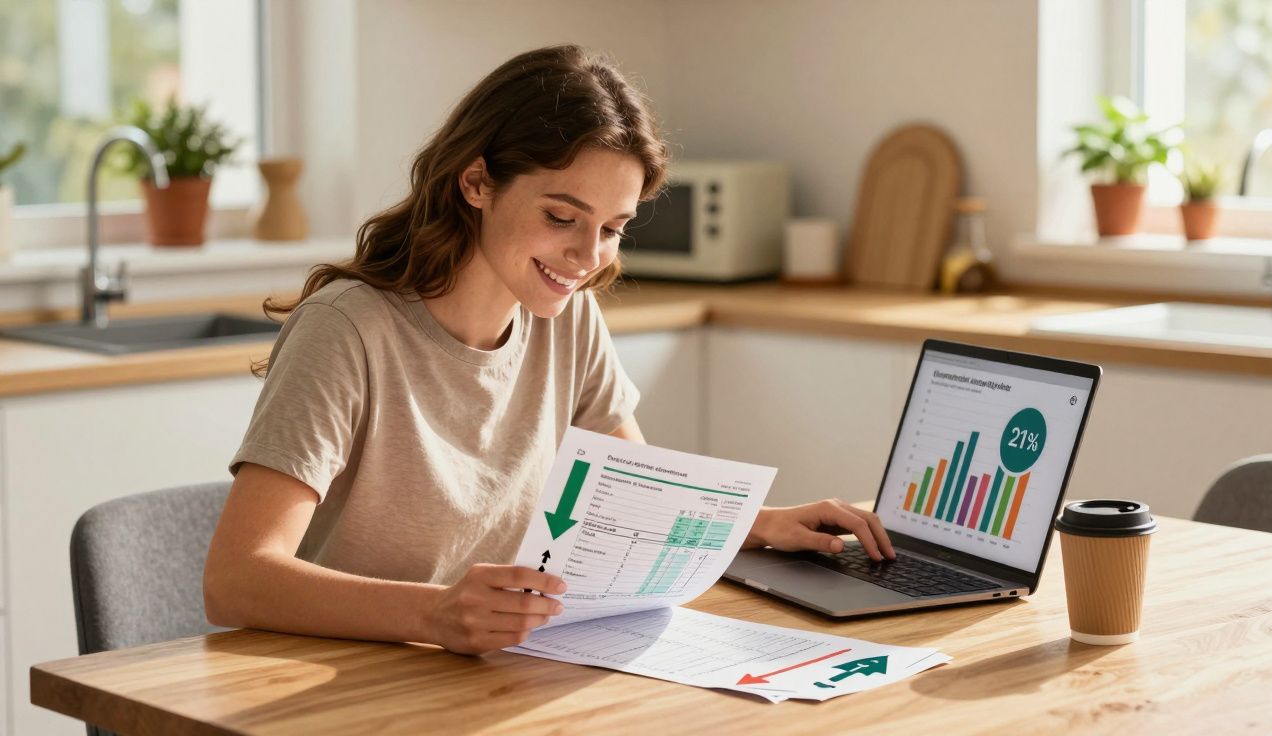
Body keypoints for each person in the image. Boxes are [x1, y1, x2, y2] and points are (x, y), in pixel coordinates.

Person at [204, 44, 894, 656]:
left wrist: (761, 524)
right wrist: (435, 613)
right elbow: (237, 581)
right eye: (561, 217)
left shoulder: (568, 319)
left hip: (491, 675)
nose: (587, 257)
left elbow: (636, 505)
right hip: (353, 682)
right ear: (475, 183)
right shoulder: (348, 330)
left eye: (613, 229)